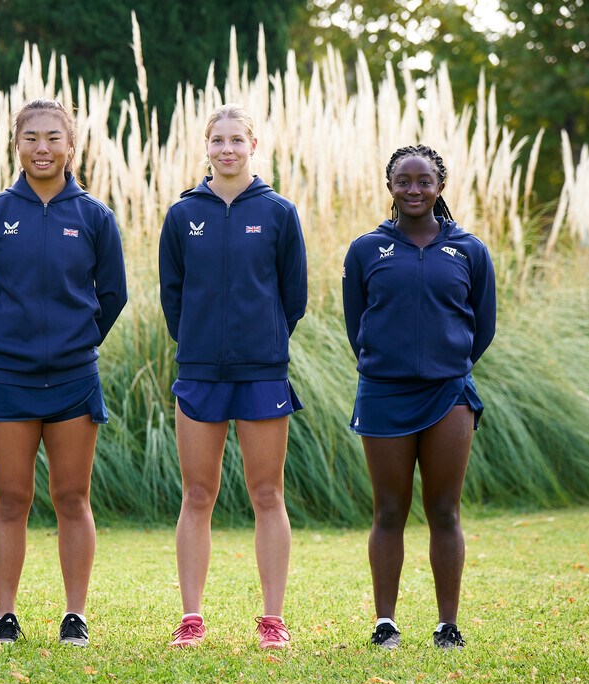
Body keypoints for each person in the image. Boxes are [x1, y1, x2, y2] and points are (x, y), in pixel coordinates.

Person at [0, 98, 128, 647]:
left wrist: (75, 342)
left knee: (72, 498)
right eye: (32, 137)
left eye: (54, 137)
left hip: (74, 378)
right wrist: (12, 339)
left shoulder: (95, 216)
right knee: (11, 499)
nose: (43, 148)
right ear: (17, 145)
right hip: (7, 376)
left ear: (71, 146)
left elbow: (113, 295)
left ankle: (74, 614)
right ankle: (5, 615)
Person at [159, 104, 308, 650]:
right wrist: (198, 343)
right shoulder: (182, 216)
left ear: (253, 145)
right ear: (205, 146)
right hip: (199, 373)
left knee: (267, 493)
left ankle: (273, 621)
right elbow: (172, 296)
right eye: (217, 140)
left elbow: (294, 297)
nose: (226, 149)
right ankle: (191, 618)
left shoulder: (278, 213)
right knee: (198, 494)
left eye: (236, 140)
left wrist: (262, 340)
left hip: (262, 372)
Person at [342, 144, 496, 650]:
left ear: (440, 186)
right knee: (388, 509)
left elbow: (483, 327)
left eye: (423, 181)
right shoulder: (367, 248)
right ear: (389, 186)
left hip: (449, 393)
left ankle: (447, 624)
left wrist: (446, 362)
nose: (413, 189)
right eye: (403, 181)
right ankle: (385, 622)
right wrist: (387, 363)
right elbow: (356, 322)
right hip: (384, 392)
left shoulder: (469, 250)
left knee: (445, 509)